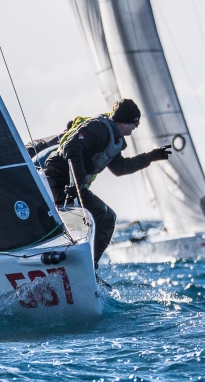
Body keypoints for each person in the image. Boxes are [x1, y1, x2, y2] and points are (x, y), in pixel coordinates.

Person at [43, 99, 171, 272]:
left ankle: (87, 267)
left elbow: (120, 168)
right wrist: (79, 181)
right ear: (125, 122)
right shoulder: (99, 129)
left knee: (104, 217)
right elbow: (71, 146)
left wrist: (150, 157)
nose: (136, 127)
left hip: (72, 183)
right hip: (57, 176)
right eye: (136, 123)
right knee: (105, 216)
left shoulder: (115, 140)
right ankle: (87, 267)